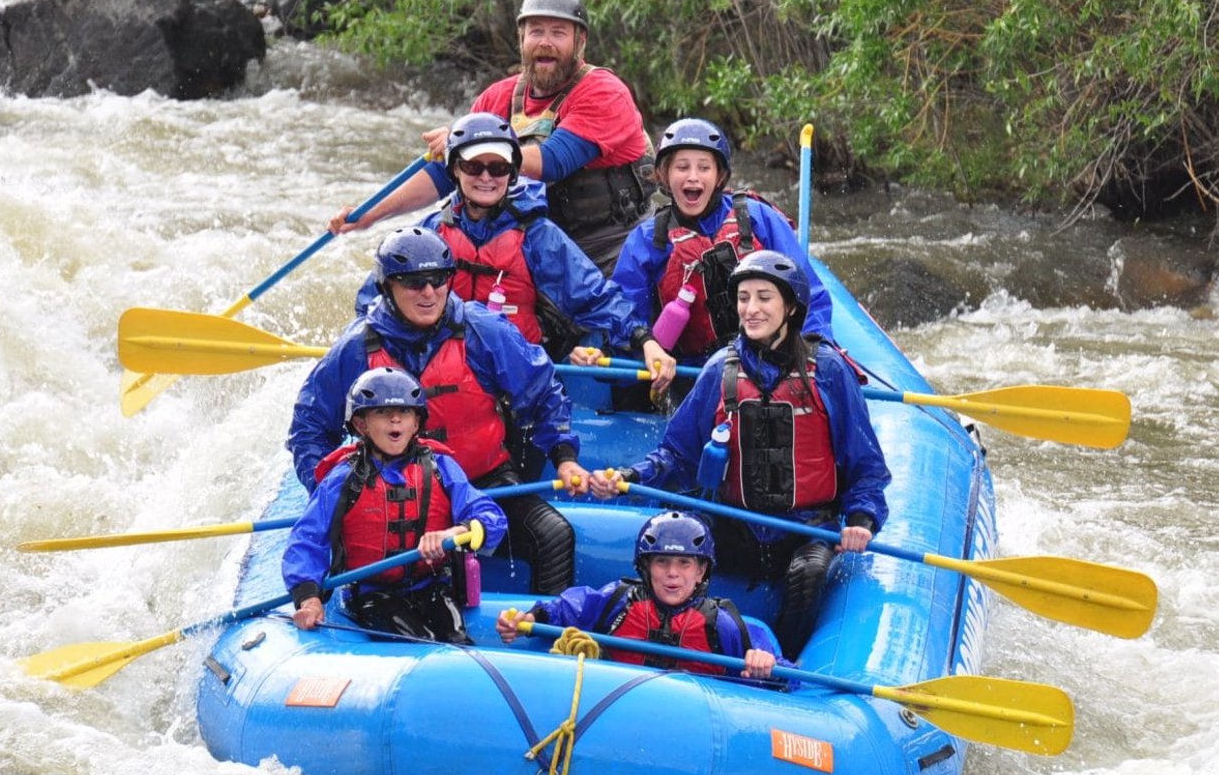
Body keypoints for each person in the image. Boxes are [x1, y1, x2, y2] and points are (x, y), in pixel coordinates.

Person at [589, 250, 890, 660]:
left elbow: (867, 467)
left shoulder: (829, 372)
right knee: (675, 549)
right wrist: (630, 476)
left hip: (804, 528)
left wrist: (860, 518)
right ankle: (681, 649)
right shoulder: (720, 369)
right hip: (736, 525)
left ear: (791, 307)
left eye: (764, 297)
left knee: (809, 573)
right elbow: (676, 454)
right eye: (744, 298)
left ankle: (780, 664)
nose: (751, 309)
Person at [288, 226, 592, 595]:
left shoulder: (483, 330)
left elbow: (543, 392)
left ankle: (551, 637)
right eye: (414, 282)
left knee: (554, 536)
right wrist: (333, 497)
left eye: (438, 279)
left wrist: (563, 456)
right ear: (388, 287)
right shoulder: (355, 349)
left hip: (485, 485)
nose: (429, 292)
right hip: (390, 490)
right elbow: (309, 427)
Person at [329, 0, 654, 275]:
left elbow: (554, 162)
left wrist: (468, 141)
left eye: (558, 33)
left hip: (611, 247)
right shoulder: (496, 98)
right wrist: (370, 214)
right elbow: (446, 175)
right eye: (536, 31)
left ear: (579, 42)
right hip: (534, 245)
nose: (546, 43)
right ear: (522, 39)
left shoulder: (604, 92)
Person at [353, 111, 676, 390]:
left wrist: (645, 341)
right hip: (436, 375)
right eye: (473, 166)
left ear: (512, 173)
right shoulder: (430, 233)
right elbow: (374, 303)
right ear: (454, 170)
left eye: (498, 168)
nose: (485, 177)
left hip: (513, 376)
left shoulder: (537, 236)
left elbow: (595, 298)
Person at [605, 118, 834, 404]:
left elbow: (809, 294)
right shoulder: (649, 240)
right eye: (682, 167)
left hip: (771, 362)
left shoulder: (756, 217)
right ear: (663, 175)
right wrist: (645, 345)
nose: (693, 177)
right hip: (695, 374)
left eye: (704, 167)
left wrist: (815, 349)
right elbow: (623, 311)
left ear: (719, 175)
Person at [283, 367, 509, 642]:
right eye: (380, 412)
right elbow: (307, 540)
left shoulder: (441, 467)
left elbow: (490, 515)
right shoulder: (343, 478)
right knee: (420, 640)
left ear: (416, 423)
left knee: (457, 640)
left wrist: (455, 533)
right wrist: (309, 599)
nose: (394, 419)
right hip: (372, 593)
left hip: (433, 586)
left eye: (404, 412)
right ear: (361, 424)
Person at [496, 511, 784, 679]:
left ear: (701, 572)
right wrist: (530, 618)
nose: (673, 573)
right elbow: (565, 610)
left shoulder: (723, 625)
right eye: (662, 562)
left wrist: (765, 666)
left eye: (684, 564)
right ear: (645, 568)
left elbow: (784, 675)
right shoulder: (618, 599)